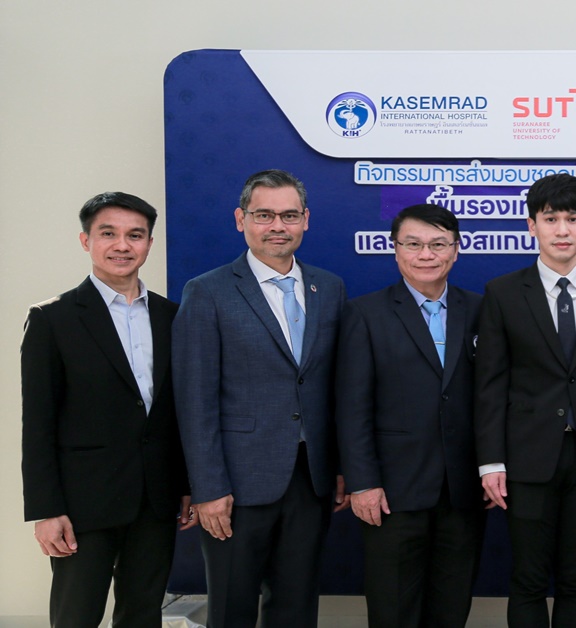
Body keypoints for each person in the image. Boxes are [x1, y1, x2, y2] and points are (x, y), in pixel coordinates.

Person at [173, 169, 348, 628]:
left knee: (296, 607)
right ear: (241, 219)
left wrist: (341, 466)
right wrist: (208, 488)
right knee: (231, 608)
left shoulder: (329, 288)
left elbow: (336, 388)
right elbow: (195, 401)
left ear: (305, 219)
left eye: (288, 215)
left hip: (311, 480)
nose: (277, 226)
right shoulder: (207, 291)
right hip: (236, 484)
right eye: (264, 215)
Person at [21, 191, 194, 627]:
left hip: (156, 500)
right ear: (86, 241)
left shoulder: (173, 316)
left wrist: (186, 484)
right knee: (76, 617)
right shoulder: (52, 319)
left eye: (135, 235)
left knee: (143, 615)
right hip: (83, 505)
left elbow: (178, 412)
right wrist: (46, 510)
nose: (122, 245)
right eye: (108, 234)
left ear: (149, 243)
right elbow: (37, 424)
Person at [474, 173, 576, 627]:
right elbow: (490, 384)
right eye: (550, 219)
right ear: (532, 225)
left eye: (573, 218)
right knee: (528, 577)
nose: (562, 230)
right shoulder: (503, 293)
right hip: (525, 457)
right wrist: (490, 462)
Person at [335, 203, 486, 627]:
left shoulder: (482, 310)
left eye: (438, 244)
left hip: (463, 491)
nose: (426, 255)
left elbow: (495, 398)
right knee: (393, 609)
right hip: (392, 493)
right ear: (395, 249)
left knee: (451, 608)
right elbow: (352, 407)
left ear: (456, 250)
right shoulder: (365, 314)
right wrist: (363, 482)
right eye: (413, 244)